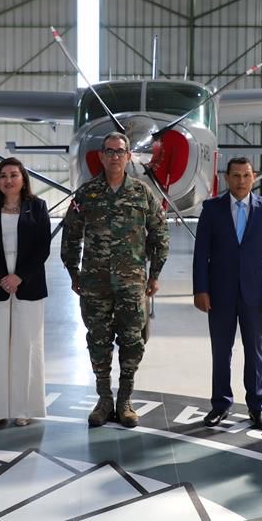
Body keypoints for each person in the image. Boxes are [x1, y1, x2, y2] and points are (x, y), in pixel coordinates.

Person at [61, 131, 169, 428]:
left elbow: (160, 234)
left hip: (131, 283)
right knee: (98, 340)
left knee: (132, 341)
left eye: (120, 151)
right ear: (101, 156)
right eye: (109, 151)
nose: (114, 156)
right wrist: (73, 272)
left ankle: (125, 400)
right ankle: (104, 399)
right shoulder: (86, 194)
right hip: (94, 283)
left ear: (128, 156)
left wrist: (155, 275)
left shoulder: (142, 193)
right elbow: (71, 235)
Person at [192, 157, 262, 430]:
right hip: (220, 293)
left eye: (246, 175)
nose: (241, 181)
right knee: (221, 351)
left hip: (255, 294)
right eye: (236, 175)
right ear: (227, 177)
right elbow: (201, 254)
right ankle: (220, 404)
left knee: (255, 351)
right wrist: (200, 289)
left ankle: (257, 407)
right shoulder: (212, 209)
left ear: (253, 177)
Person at [0, 158, 51, 427]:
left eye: (14, 175)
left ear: (23, 179)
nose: (8, 180)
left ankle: (23, 409)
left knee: (26, 346)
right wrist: (2, 277)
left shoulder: (37, 207)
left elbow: (43, 247)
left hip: (29, 282)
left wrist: (20, 276)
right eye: (3, 175)